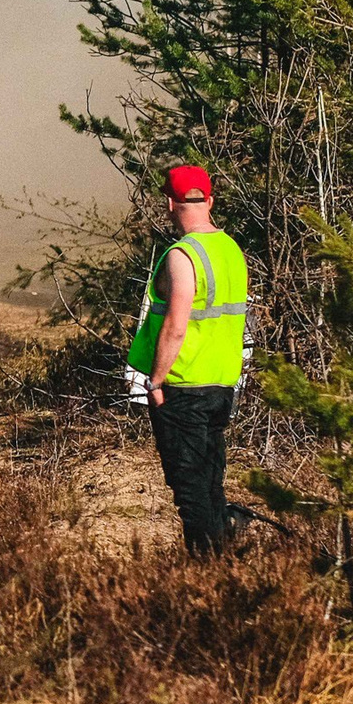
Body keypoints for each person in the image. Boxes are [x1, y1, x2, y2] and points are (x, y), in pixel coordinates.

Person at [131, 164, 254, 554]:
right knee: (210, 480)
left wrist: (154, 381)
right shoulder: (231, 250)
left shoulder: (182, 255)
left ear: (169, 204)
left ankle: (207, 574)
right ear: (210, 200)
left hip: (183, 388)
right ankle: (226, 557)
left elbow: (176, 327)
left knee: (190, 490)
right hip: (221, 386)